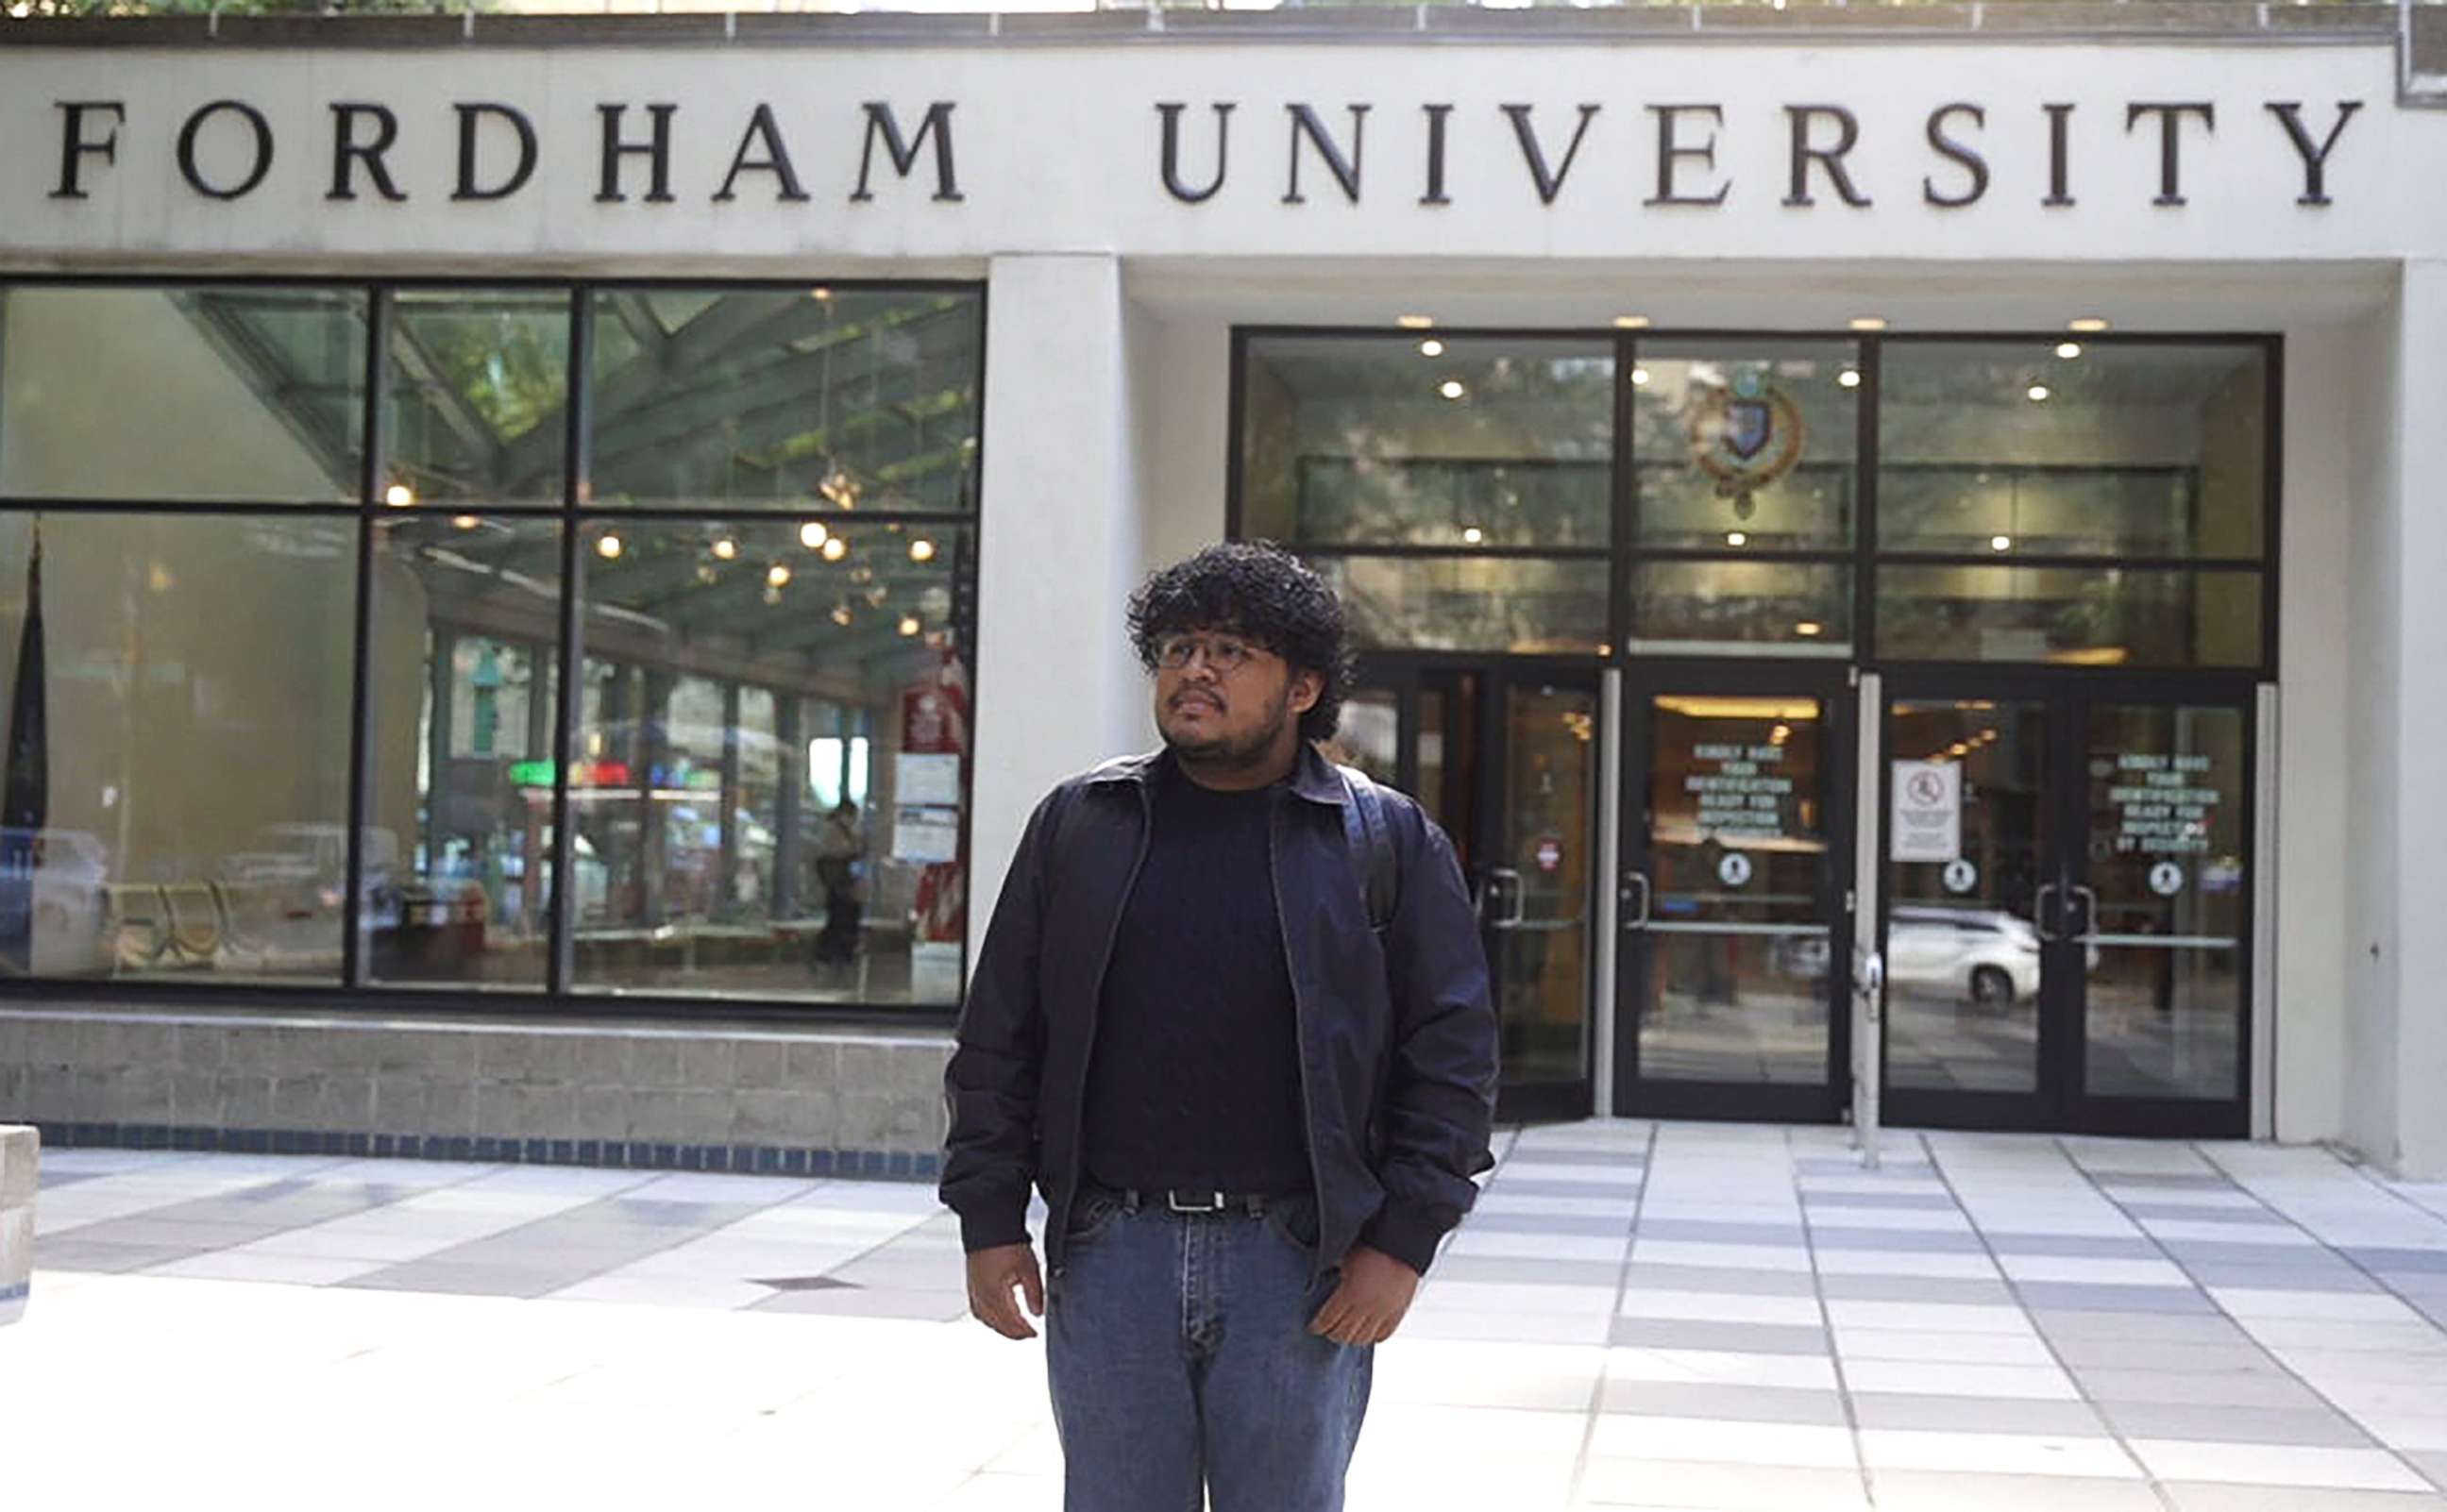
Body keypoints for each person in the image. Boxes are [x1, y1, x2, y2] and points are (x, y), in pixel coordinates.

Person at [939, 543, 1498, 1512]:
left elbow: (1452, 1060)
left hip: (1299, 1264)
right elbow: (998, 1038)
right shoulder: (1081, 825)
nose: (1197, 669)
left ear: (1303, 687)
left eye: (1233, 650)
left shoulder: (1381, 841)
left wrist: (1402, 1243)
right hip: (1111, 1252)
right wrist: (989, 1220)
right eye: (1179, 646)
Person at [812, 799, 863, 966]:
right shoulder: (833, 830)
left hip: (842, 883)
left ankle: (836, 953)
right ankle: (829, 953)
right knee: (838, 917)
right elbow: (836, 852)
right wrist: (854, 850)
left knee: (843, 917)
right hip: (835, 883)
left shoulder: (846, 831)